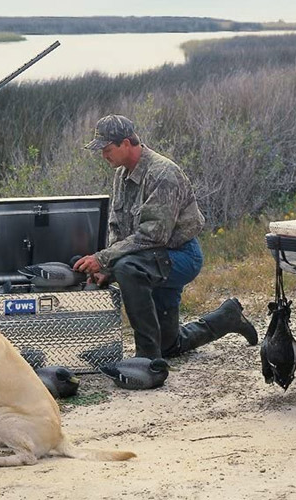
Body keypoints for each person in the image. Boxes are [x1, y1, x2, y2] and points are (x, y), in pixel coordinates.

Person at [74, 115, 258, 374]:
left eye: (107, 149)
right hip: (148, 258)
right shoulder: (121, 175)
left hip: (179, 256)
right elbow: (118, 227)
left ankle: (147, 360)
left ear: (126, 143)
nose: (103, 155)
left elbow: (153, 234)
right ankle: (227, 318)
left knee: (128, 269)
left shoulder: (163, 173)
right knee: (170, 345)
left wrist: (104, 259)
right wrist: (107, 266)